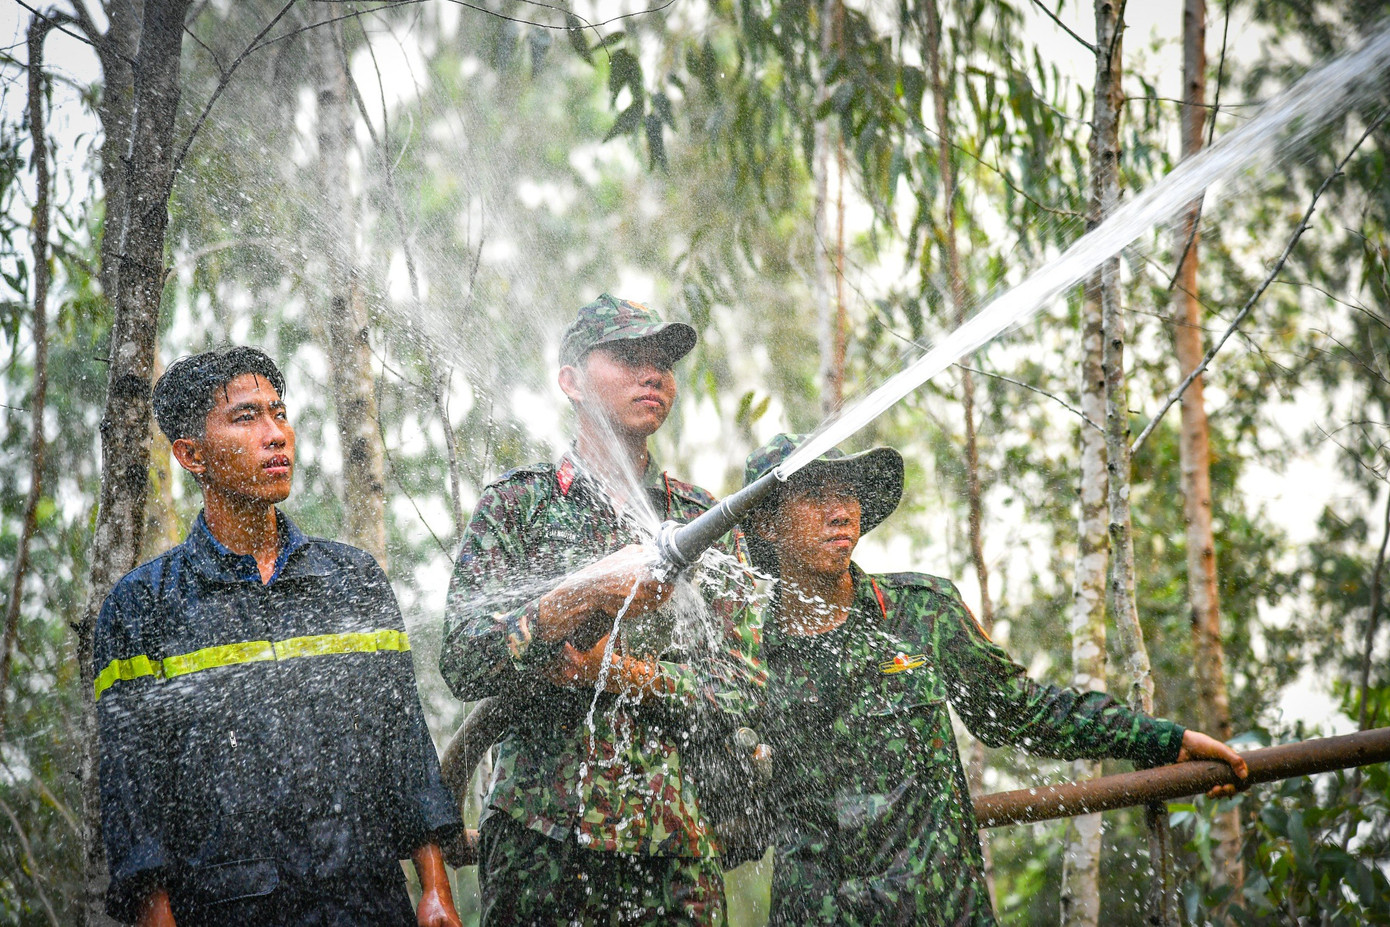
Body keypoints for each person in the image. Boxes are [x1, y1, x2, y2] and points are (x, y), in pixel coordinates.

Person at [738, 433, 1250, 926]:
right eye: (814, 496)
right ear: (766, 524)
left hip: (942, 913)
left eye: (848, 493)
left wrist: (1163, 739)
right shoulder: (745, 650)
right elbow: (728, 805)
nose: (841, 510)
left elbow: (1022, 711)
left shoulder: (921, 613)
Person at [94, 347, 462, 927]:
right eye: (246, 418)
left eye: (280, 413)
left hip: (364, 905)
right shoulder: (143, 608)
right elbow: (136, 803)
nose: (276, 435)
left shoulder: (352, 580)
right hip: (229, 908)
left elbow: (404, 746)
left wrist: (435, 888)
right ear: (191, 455)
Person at [439, 294, 764, 926]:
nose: (654, 375)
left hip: (673, 848)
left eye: (664, 362)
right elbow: (463, 661)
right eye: (628, 357)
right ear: (571, 381)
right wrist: (581, 597)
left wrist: (617, 674)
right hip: (540, 844)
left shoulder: (703, 518)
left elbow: (744, 690)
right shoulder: (519, 507)